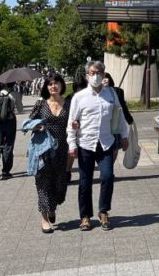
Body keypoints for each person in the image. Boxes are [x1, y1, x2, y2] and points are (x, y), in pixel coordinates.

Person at [66, 61, 127, 231]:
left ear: (104, 74)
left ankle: (103, 211)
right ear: (87, 75)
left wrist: (125, 135)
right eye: (92, 73)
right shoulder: (79, 97)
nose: (96, 76)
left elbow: (119, 115)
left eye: (99, 72)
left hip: (106, 143)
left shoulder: (111, 94)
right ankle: (85, 216)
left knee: (108, 176)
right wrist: (72, 143)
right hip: (85, 143)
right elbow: (72, 122)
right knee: (85, 182)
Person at [28, 74, 70, 233]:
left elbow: (76, 122)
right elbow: (28, 123)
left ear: (61, 85)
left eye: (56, 83)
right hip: (43, 151)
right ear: (46, 87)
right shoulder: (40, 104)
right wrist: (36, 126)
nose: (53, 86)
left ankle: (52, 207)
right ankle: (44, 219)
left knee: (60, 186)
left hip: (62, 151)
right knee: (43, 184)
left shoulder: (69, 104)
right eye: (50, 84)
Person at [101, 72, 135, 161]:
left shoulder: (117, 91)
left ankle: (110, 166)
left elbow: (123, 107)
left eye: (106, 77)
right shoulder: (97, 93)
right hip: (104, 125)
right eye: (103, 78)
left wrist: (129, 119)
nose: (105, 79)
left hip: (115, 123)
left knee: (115, 148)